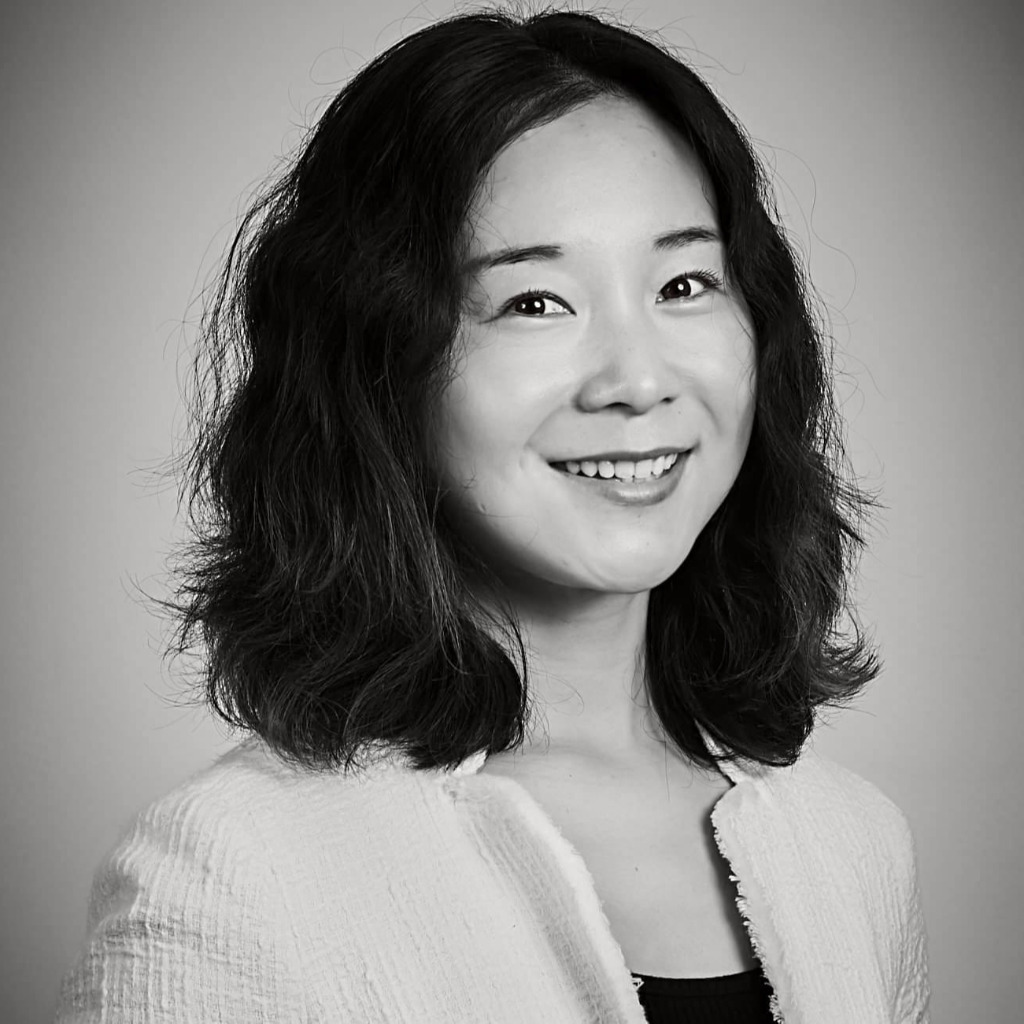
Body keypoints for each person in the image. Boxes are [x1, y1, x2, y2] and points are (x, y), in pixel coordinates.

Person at [55, 5, 930, 1022]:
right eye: (534, 302)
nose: (638, 379)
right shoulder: (233, 873)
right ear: (380, 365)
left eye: (685, 282)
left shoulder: (852, 844)